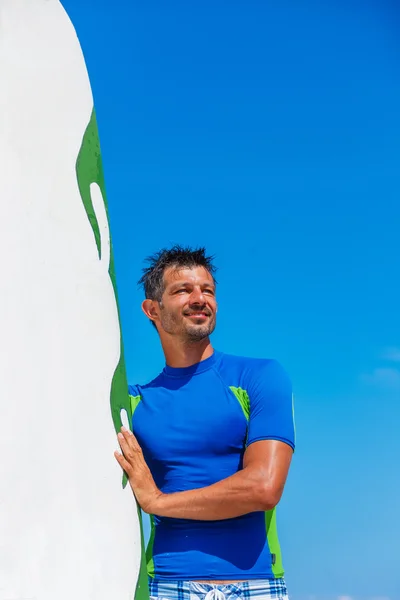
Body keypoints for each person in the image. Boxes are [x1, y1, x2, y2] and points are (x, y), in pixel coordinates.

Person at [115, 245, 295, 600]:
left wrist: (157, 501)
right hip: (165, 587)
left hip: (256, 586)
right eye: (183, 290)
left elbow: (264, 486)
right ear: (153, 309)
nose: (200, 298)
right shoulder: (133, 402)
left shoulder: (259, 377)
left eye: (207, 290)